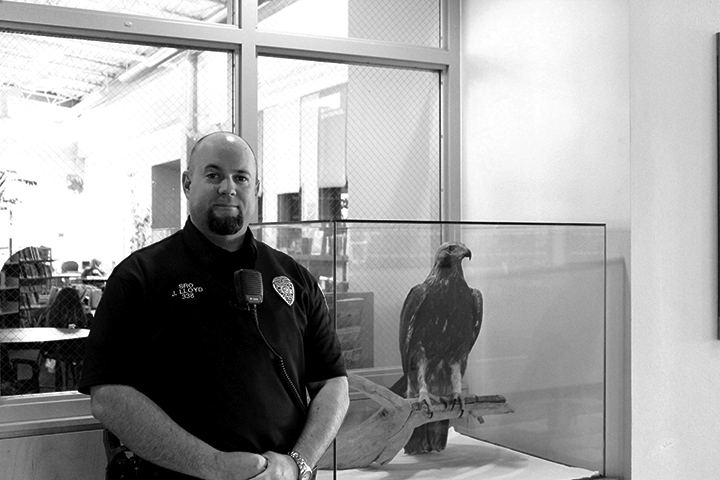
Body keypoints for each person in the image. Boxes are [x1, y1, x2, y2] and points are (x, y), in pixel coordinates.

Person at [79, 132, 350, 480]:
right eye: (213, 175)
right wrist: (213, 467)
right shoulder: (139, 278)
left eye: (241, 177)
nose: (228, 187)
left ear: (256, 188)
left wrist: (297, 464)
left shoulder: (294, 279)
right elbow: (109, 396)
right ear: (187, 183)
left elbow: (332, 383)